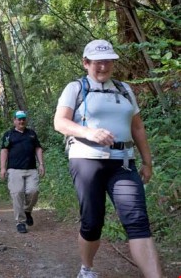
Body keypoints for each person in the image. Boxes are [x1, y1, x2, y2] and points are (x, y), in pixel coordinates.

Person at [54, 39, 162, 278]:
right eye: (98, 62)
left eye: (108, 62)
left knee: (137, 221)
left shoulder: (124, 90)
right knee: (92, 222)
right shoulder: (75, 88)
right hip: (86, 159)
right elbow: (60, 122)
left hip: (123, 162)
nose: (103, 67)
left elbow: (138, 128)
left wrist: (147, 161)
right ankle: (87, 268)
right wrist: (89, 132)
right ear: (86, 63)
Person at [0, 110, 45, 233]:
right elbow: (4, 151)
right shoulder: (8, 135)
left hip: (31, 169)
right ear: (14, 120)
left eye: (23, 119)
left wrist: (41, 164)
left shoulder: (31, 134)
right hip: (14, 170)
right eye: (19, 119)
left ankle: (27, 211)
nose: (21, 121)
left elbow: (38, 148)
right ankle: (20, 222)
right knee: (17, 193)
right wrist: (3, 168)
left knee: (33, 191)